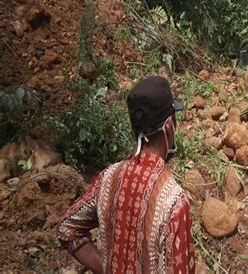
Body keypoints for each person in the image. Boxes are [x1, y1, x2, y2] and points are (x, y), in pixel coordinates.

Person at [58, 76, 195, 273]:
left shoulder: (108, 178)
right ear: (168, 126)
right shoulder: (174, 203)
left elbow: (66, 229)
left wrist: (106, 269)